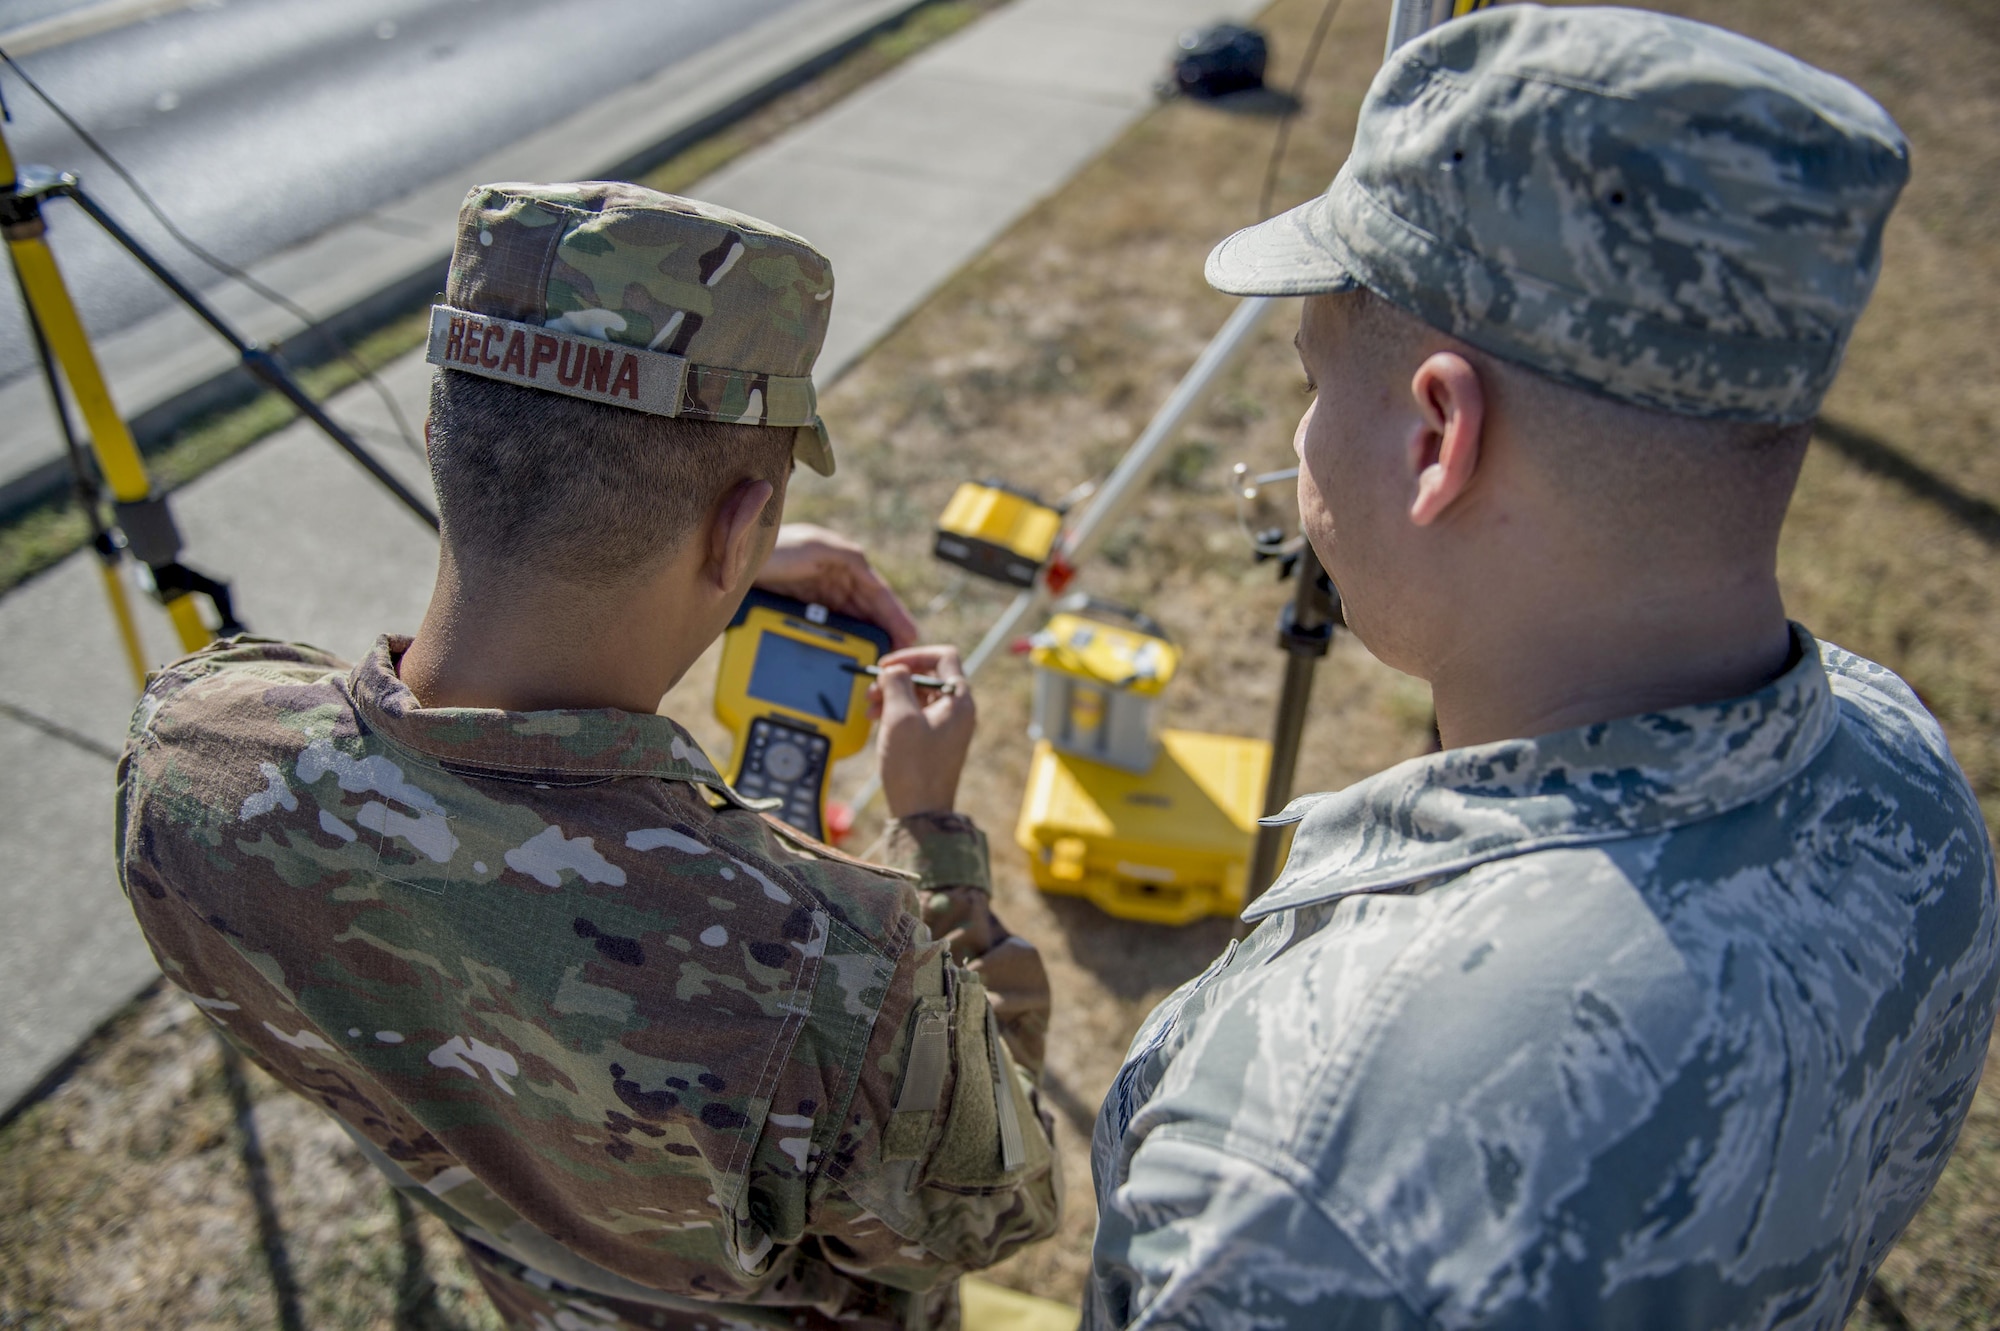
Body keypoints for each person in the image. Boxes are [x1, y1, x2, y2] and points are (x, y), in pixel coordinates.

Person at [1086, 8, 1999, 1329]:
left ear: (1433, 439)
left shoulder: (1312, 1138)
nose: (1297, 441)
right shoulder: (1905, 764)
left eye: (1311, 376)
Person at [116, 181, 1060, 1330]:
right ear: (739, 529)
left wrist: (679, 555)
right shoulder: (843, 967)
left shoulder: (186, 755)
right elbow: (992, 1209)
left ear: (434, 439)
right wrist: (937, 843)